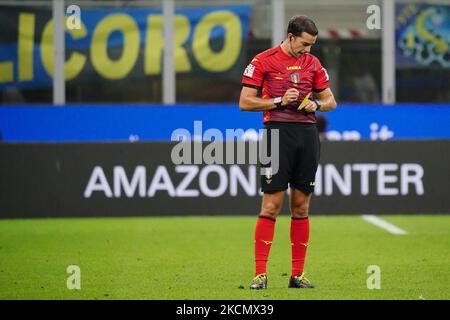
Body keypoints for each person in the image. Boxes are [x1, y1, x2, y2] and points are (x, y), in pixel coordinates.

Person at [239, 15, 337, 289]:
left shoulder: (313, 63)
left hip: (307, 135)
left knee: (301, 206)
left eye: (312, 45)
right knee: (271, 205)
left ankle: (297, 275)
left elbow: (331, 101)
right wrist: (279, 100)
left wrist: (316, 103)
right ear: (290, 36)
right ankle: (260, 274)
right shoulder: (263, 60)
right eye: (305, 44)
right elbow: (245, 103)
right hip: (276, 135)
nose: (308, 50)